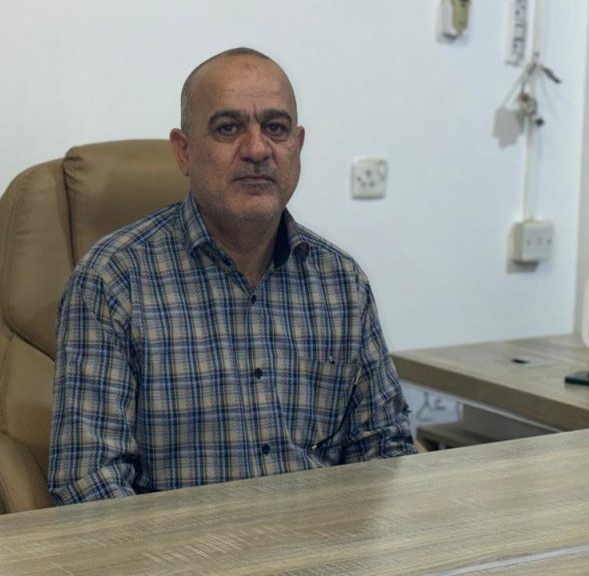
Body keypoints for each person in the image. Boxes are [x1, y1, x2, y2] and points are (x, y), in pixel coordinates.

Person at [48, 47, 416, 504]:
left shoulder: (342, 284)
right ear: (184, 151)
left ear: (298, 146)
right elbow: (88, 483)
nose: (257, 150)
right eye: (228, 128)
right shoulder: (113, 280)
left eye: (275, 128)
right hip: (176, 545)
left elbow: (386, 452)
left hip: (322, 540)